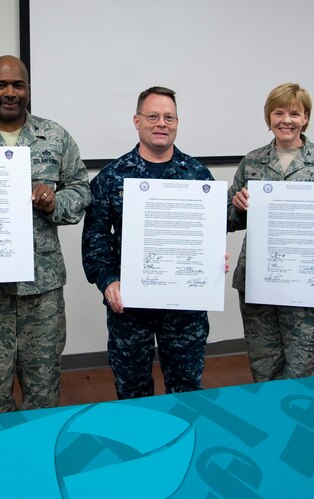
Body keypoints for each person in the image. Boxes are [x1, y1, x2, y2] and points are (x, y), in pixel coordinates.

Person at [0, 55, 90, 414]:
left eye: (18, 84)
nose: (10, 92)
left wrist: (54, 201)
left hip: (41, 293)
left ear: (28, 89)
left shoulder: (55, 137)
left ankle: (38, 464)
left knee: (43, 393)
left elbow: (82, 190)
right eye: (1, 85)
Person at [82, 86, 217, 399]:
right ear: (137, 121)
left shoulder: (198, 176)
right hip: (130, 307)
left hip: (184, 308)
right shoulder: (112, 177)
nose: (162, 123)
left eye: (169, 117)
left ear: (177, 123)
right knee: (133, 392)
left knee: (187, 389)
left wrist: (213, 259)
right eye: (153, 116)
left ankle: (185, 445)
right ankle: (140, 446)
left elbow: (208, 235)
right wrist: (108, 281)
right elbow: (96, 238)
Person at [227, 83, 314, 382]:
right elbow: (227, 221)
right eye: (278, 113)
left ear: (305, 118)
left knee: (300, 372)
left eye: (294, 113)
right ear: (268, 117)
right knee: (263, 368)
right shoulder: (252, 161)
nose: (286, 120)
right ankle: (269, 423)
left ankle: (294, 424)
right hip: (258, 284)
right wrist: (237, 206)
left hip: (309, 285)